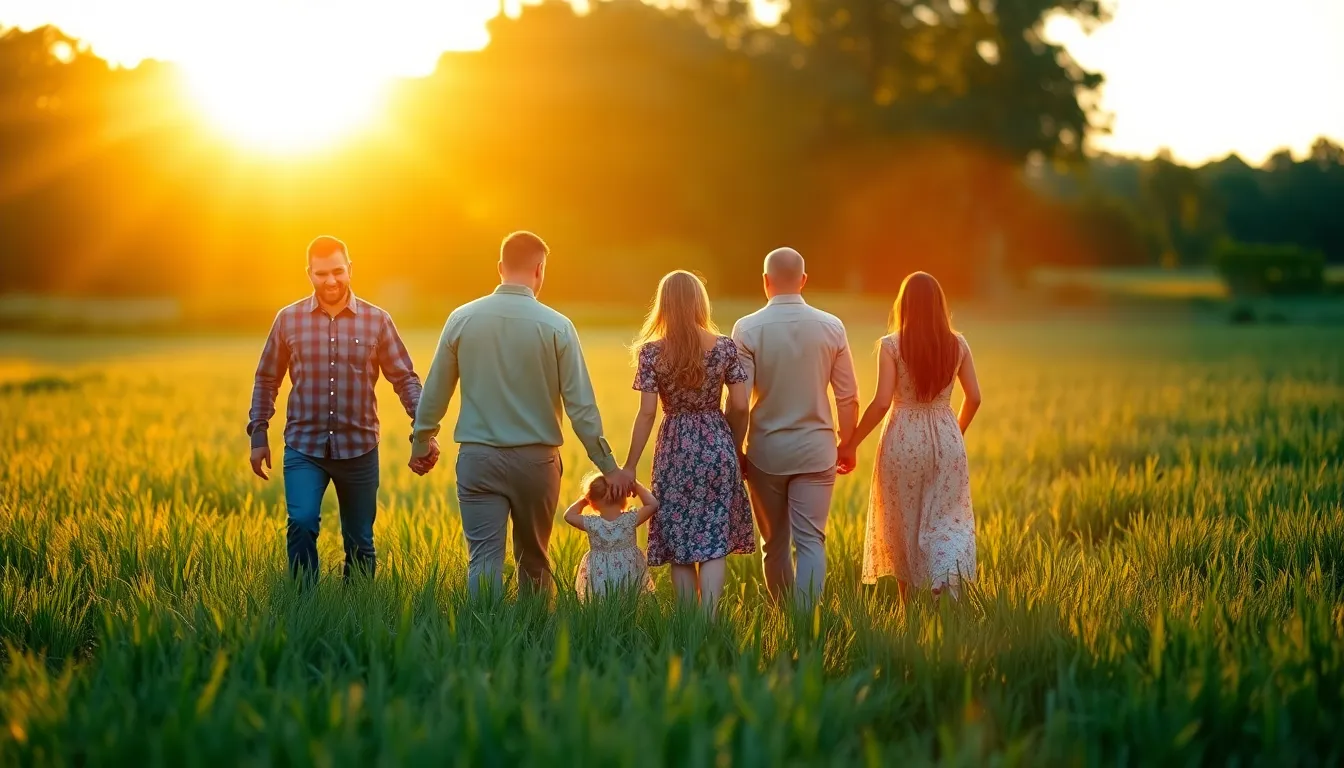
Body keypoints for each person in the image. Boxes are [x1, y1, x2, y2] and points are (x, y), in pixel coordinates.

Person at [411, 231, 633, 597]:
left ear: (500, 268)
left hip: (478, 459)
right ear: (539, 270)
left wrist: (421, 441)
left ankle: (481, 642)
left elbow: (436, 390)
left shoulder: (461, 318)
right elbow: (582, 408)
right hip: (537, 463)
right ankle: (537, 641)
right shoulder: (557, 326)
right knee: (534, 559)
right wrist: (608, 467)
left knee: (482, 560)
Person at [247, 235, 430, 580]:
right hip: (304, 446)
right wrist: (259, 434)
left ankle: (357, 609)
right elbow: (267, 379)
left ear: (350, 270)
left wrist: (423, 429)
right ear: (309, 274)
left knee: (360, 540)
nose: (330, 281)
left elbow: (405, 379)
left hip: (359, 448)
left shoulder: (377, 321)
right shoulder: (288, 320)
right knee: (301, 523)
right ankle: (303, 603)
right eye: (320, 274)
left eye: (337, 271)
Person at [727, 247, 859, 608]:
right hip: (817, 450)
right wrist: (847, 444)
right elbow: (848, 397)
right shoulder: (832, 326)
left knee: (775, 544)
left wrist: (735, 448)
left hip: (767, 453)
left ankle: (783, 618)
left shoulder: (747, 328)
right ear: (803, 280)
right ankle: (805, 625)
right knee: (812, 541)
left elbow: (738, 402)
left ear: (765, 282)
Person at [839, 271, 982, 599]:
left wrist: (850, 444)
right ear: (938, 305)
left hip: (903, 438)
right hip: (947, 437)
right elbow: (974, 397)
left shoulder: (891, 345)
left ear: (903, 305)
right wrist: (954, 433)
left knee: (902, 521)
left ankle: (907, 609)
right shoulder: (958, 344)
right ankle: (943, 582)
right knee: (946, 520)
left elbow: (880, 403)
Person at [624, 270, 754, 615]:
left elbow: (647, 413)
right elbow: (740, 404)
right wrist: (732, 444)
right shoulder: (724, 346)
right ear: (700, 301)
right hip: (717, 442)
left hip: (674, 449)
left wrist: (630, 465)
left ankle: (687, 623)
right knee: (713, 539)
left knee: (678, 536)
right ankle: (709, 620)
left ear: (663, 304)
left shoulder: (651, 353)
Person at [562, 474, 658, 601]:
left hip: (601, 573)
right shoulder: (629, 520)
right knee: (629, 603)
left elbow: (568, 515)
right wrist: (634, 485)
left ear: (593, 502)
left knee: (602, 603)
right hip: (627, 572)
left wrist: (586, 499)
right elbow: (653, 504)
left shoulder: (592, 524)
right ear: (624, 497)